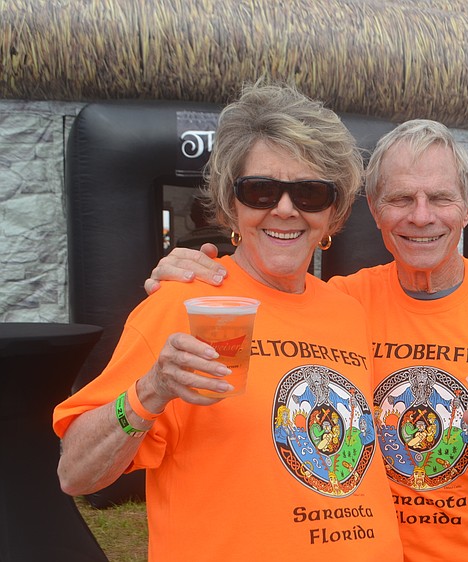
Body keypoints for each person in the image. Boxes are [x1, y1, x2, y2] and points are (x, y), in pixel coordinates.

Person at [146, 119, 468, 561]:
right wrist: (192, 279)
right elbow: (265, 293)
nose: (421, 215)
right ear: (374, 209)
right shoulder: (339, 304)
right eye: (401, 198)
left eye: (440, 198)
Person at [53, 83, 403, 561]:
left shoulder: (346, 312)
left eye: (310, 193)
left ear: (332, 213)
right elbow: (76, 473)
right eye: (260, 190)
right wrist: (151, 390)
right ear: (231, 204)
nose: (285, 209)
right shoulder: (182, 304)